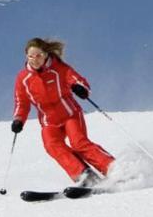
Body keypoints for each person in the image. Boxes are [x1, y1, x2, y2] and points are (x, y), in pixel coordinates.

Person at [11, 38, 114, 184]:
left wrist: (80, 88)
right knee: (52, 145)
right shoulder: (23, 78)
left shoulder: (58, 68)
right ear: (26, 57)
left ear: (46, 54)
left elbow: (75, 79)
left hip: (70, 115)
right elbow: (21, 102)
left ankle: (112, 168)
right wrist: (18, 120)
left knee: (79, 144)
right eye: (31, 56)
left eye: (39, 55)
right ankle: (83, 175)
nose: (35, 60)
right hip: (49, 121)